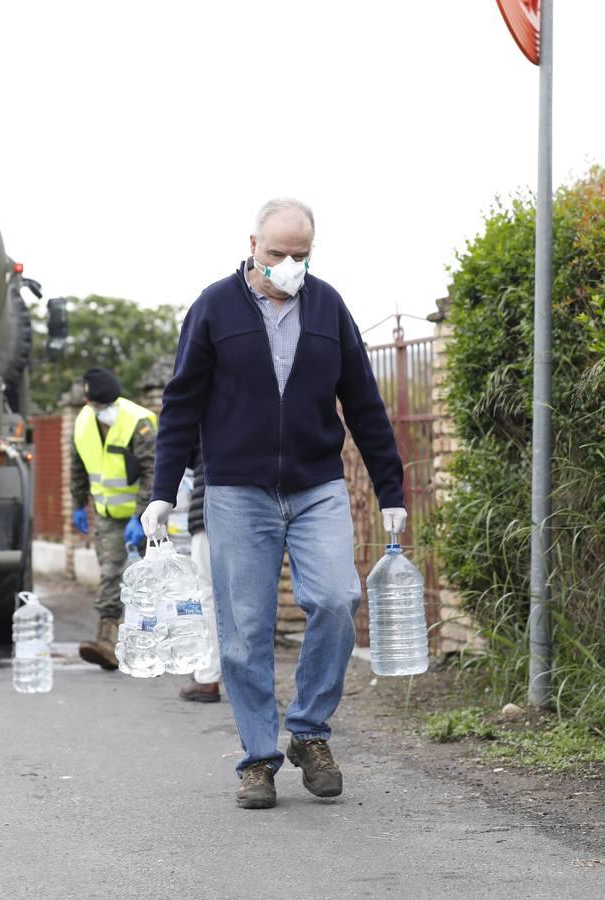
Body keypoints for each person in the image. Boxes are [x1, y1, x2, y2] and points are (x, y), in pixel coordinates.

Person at [142, 198, 406, 810]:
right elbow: (180, 404)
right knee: (245, 629)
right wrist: (163, 491)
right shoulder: (214, 307)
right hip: (237, 490)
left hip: (317, 485)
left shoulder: (327, 306)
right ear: (252, 243)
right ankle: (258, 758)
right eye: (277, 253)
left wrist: (392, 489)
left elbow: (364, 403)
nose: (289, 265)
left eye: (301, 255)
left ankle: (309, 733)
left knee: (337, 599)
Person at [70, 367, 154, 669]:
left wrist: (140, 515)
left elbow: (152, 472)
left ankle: (151, 646)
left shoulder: (138, 422)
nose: (97, 410)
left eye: (102, 406)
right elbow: (78, 465)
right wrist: (78, 504)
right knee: (110, 573)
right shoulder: (81, 423)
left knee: (148, 579)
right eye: (94, 405)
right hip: (107, 514)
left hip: (144, 515)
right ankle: (106, 641)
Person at [177, 460, 221, 702]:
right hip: (255, 509)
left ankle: (207, 678)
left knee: (207, 594)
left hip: (209, 503)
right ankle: (251, 681)